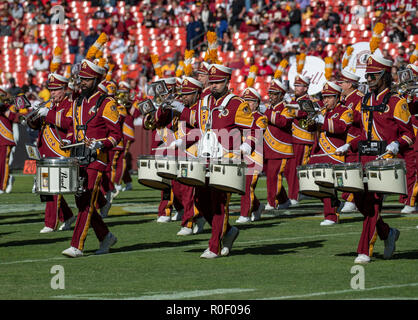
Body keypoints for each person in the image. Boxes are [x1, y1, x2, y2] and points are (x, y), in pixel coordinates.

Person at [172, 63, 260, 258]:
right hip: (205, 159)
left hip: (226, 160)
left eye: (218, 82)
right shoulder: (205, 100)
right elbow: (198, 123)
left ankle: (215, 247)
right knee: (200, 201)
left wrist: (248, 145)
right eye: (211, 82)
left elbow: (253, 129)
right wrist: (179, 110)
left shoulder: (237, 103)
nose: (214, 86)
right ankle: (228, 231)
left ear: (228, 81)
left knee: (219, 203)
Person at [38, 56, 123, 258]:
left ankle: (77, 245)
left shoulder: (106, 102)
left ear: (96, 80)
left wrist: (101, 143)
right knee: (82, 201)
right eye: (81, 78)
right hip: (78, 158)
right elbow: (72, 129)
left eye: (86, 78)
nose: (82, 82)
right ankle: (105, 236)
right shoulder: (78, 102)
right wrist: (68, 140)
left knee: (86, 203)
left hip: (97, 158)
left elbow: (116, 135)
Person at [335, 54, 415, 264]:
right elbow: (364, 134)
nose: (369, 80)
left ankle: (364, 250)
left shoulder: (397, 102)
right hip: (363, 158)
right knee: (362, 202)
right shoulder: (365, 101)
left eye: (373, 76)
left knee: (372, 205)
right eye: (367, 76)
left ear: (384, 76)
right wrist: (349, 145)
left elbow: (408, 134)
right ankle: (388, 233)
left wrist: (396, 144)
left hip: (385, 162)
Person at [29, 65, 76, 233]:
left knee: (52, 189)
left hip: (59, 151)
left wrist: (46, 114)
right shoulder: (50, 104)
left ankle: (50, 223)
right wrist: (34, 116)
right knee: (47, 188)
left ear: (64, 89)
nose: (53, 93)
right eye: (51, 90)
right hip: (45, 150)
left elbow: (67, 123)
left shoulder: (69, 104)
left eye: (56, 90)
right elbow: (36, 125)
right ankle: (68, 216)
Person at [307, 81, 353, 226]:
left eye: (329, 97)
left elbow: (341, 127)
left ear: (338, 97)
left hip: (335, 153)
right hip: (319, 153)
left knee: (327, 186)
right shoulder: (322, 111)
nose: (325, 100)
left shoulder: (346, 111)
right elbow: (310, 129)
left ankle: (331, 216)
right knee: (315, 186)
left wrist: (322, 120)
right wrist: (310, 120)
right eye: (324, 97)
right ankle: (335, 204)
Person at [263, 79, 296, 211]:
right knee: (270, 176)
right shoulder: (269, 109)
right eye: (270, 93)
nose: (271, 96)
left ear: (281, 95)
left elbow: (282, 122)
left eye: (274, 94)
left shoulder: (287, 108)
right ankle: (284, 200)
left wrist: (266, 113)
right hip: (268, 149)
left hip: (280, 149)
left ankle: (272, 202)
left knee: (273, 176)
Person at [236, 87, 267, 223]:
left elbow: (257, 131)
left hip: (254, 156)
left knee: (248, 186)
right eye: (245, 101)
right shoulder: (240, 117)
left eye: (251, 101)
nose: (247, 104)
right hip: (240, 155)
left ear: (257, 103)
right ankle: (257, 206)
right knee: (241, 185)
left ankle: (245, 214)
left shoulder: (261, 118)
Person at [284, 74, 314, 206]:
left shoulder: (307, 100)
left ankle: (295, 195)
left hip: (303, 139)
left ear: (306, 88)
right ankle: (298, 192)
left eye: (299, 85)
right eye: (295, 85)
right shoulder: (294, 100)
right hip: (293, 139)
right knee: (289, 169)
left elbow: (304, 113)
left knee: (297, 169)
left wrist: (288, 107)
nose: (296, 87)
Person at [337, 69, 364, 213]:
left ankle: (352, 200)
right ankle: (348, 197)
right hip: (345, 138)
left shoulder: (359, 97)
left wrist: (347, 114)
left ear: (349, 84)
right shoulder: (345, 99)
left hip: (355, 137)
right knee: (345, 170)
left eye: (342, 83)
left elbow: (361, 119)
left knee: (353, 170)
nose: (340, 85)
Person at [0, 88, 17, 194]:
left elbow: (14, 118)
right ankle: (9, 177)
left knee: (2, 163)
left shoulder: (9, 107)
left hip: (5, 137)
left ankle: (2, 187)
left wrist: (4, 108)